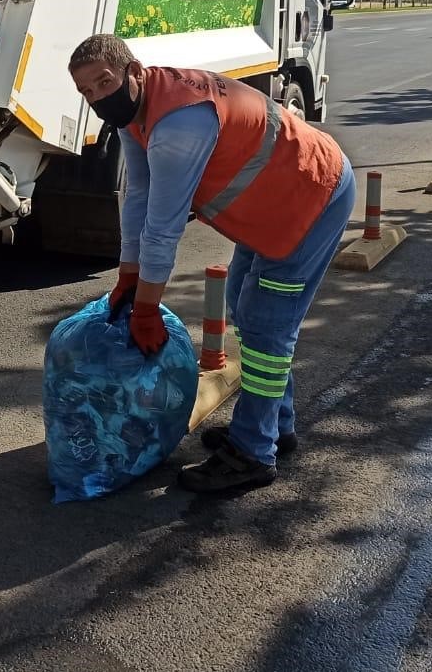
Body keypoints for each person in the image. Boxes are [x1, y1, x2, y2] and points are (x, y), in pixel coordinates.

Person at [66, 33, 356, 494]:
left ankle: (253, 452)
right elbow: (137, 195)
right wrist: (128, 275)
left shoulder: (179, 124)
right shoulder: (137, 111)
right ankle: (276, 426)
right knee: (247, 313)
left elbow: (163, 228)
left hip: (309, 199)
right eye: (87, 92)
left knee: (265, 327)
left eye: (104, 83)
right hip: (269, 208)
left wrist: (145, 308)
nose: (99, 97)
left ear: (134, 71)